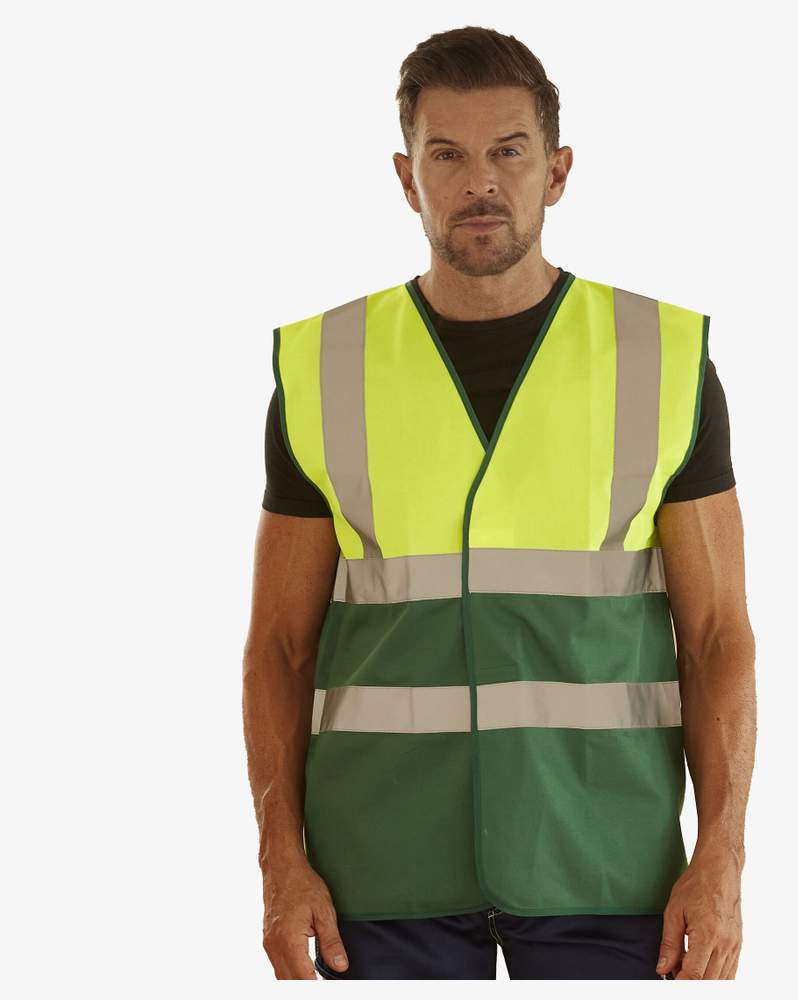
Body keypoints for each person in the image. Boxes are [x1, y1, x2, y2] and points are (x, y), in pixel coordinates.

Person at [243, 25, 756, 981]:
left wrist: (721, 859)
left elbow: (718, 635)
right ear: (408, 179)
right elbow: (278, 644)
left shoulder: (662, 357)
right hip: (377, 873)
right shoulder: (324, 366)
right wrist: (280, 861)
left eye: (509, 152)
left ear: (556, 172)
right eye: (447, 155)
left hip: (608, 865)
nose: (480, 182)